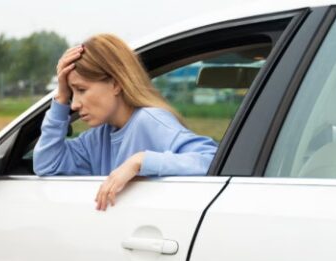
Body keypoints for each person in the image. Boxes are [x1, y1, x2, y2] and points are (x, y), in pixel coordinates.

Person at [33, 35, 218, 210]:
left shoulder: (149, 120)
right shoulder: (96, 138)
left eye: (81, 89)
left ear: (115, 84)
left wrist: (140, 161)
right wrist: (61, 96)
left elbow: (211, 161)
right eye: (72, 94)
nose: (74, 104)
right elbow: (47, 164)